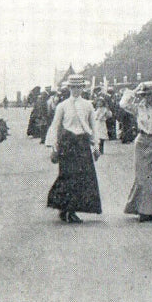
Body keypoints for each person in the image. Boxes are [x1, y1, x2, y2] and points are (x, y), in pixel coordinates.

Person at [43, 75, 102, 223]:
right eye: (73, 87)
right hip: (68, 144)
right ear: (69, 88)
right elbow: (55, 126)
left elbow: (94, 126)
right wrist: (53, 146)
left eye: (79, 87)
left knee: (82, 177)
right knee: (68, 176)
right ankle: (67, 209)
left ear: (83, 88)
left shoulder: (88, 105)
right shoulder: (62, 106)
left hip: (82, 143)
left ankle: (70, 209)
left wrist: (96, 145)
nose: (76, 90)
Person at [121, 81, 152, 222]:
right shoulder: (137, 108)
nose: (149, 98)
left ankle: (149, 210)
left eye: (151, 95)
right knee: (142, 176)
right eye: (146, 95)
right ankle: (142, 209)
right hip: (142, 141)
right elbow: (123, 104)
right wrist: (135, 91)